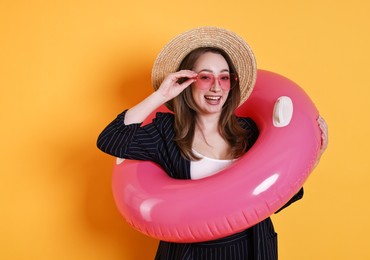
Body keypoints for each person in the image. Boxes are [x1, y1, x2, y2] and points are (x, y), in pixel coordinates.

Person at [97, 27, 328, 260]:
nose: (216, 87)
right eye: (205, 77)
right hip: (192, 253)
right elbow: (111, 139)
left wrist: (313, 159)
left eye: (224, 77)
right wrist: (161, 95)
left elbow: (270, 199)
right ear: (187, 81)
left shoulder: (249, 132)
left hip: (250, 249)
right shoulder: (166, 131)